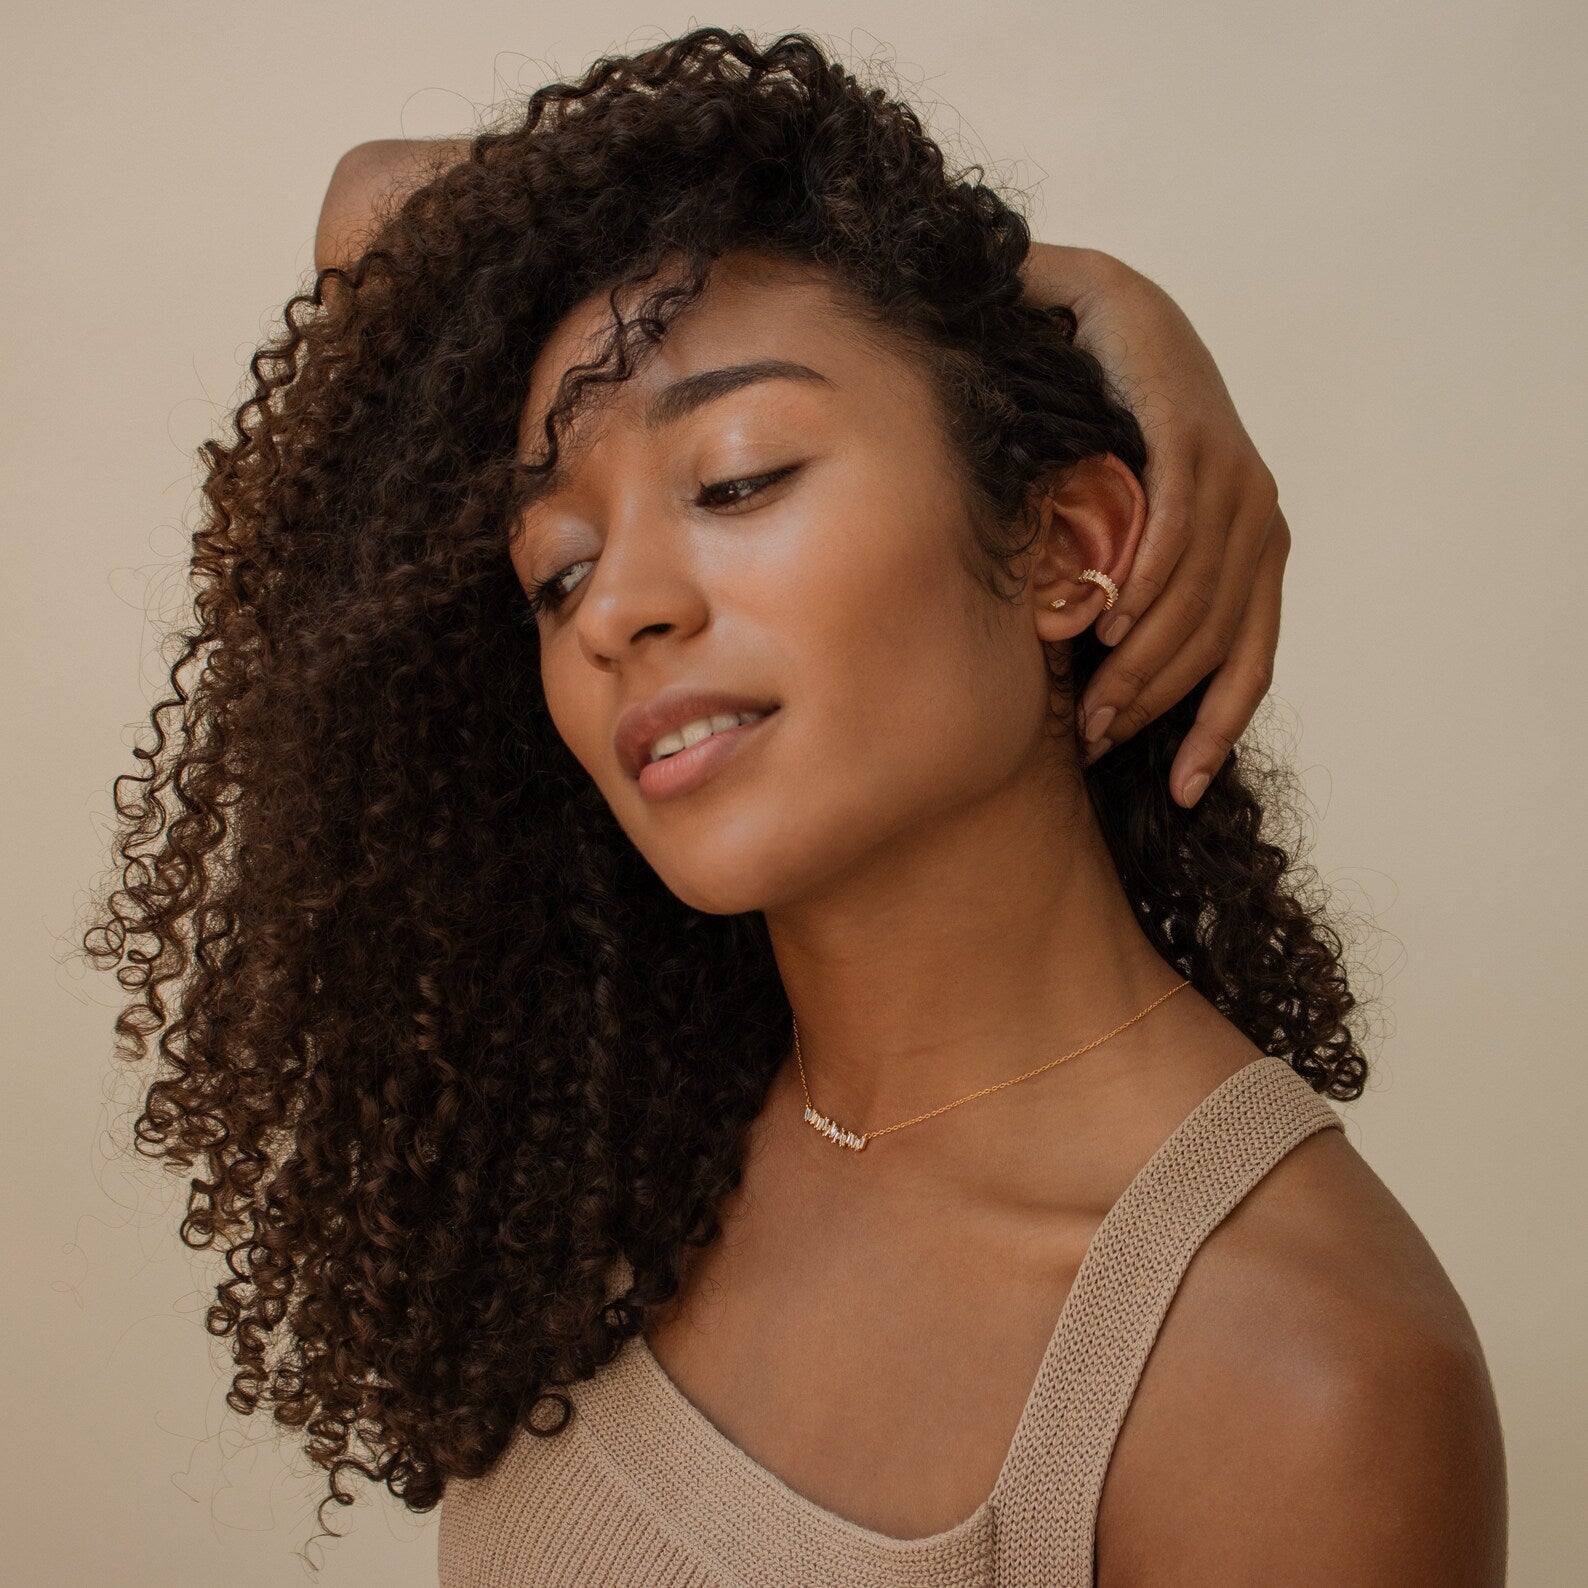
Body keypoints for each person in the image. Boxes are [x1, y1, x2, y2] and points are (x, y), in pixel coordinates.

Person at [84, 25, 1506, 1585]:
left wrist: (967, 295)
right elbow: (379, 210)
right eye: (555, 571)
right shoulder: (659, 1127)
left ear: (1064, 548)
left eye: (741, 477)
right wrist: (1091, 291)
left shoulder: (1288, 1374)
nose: (616, 604)